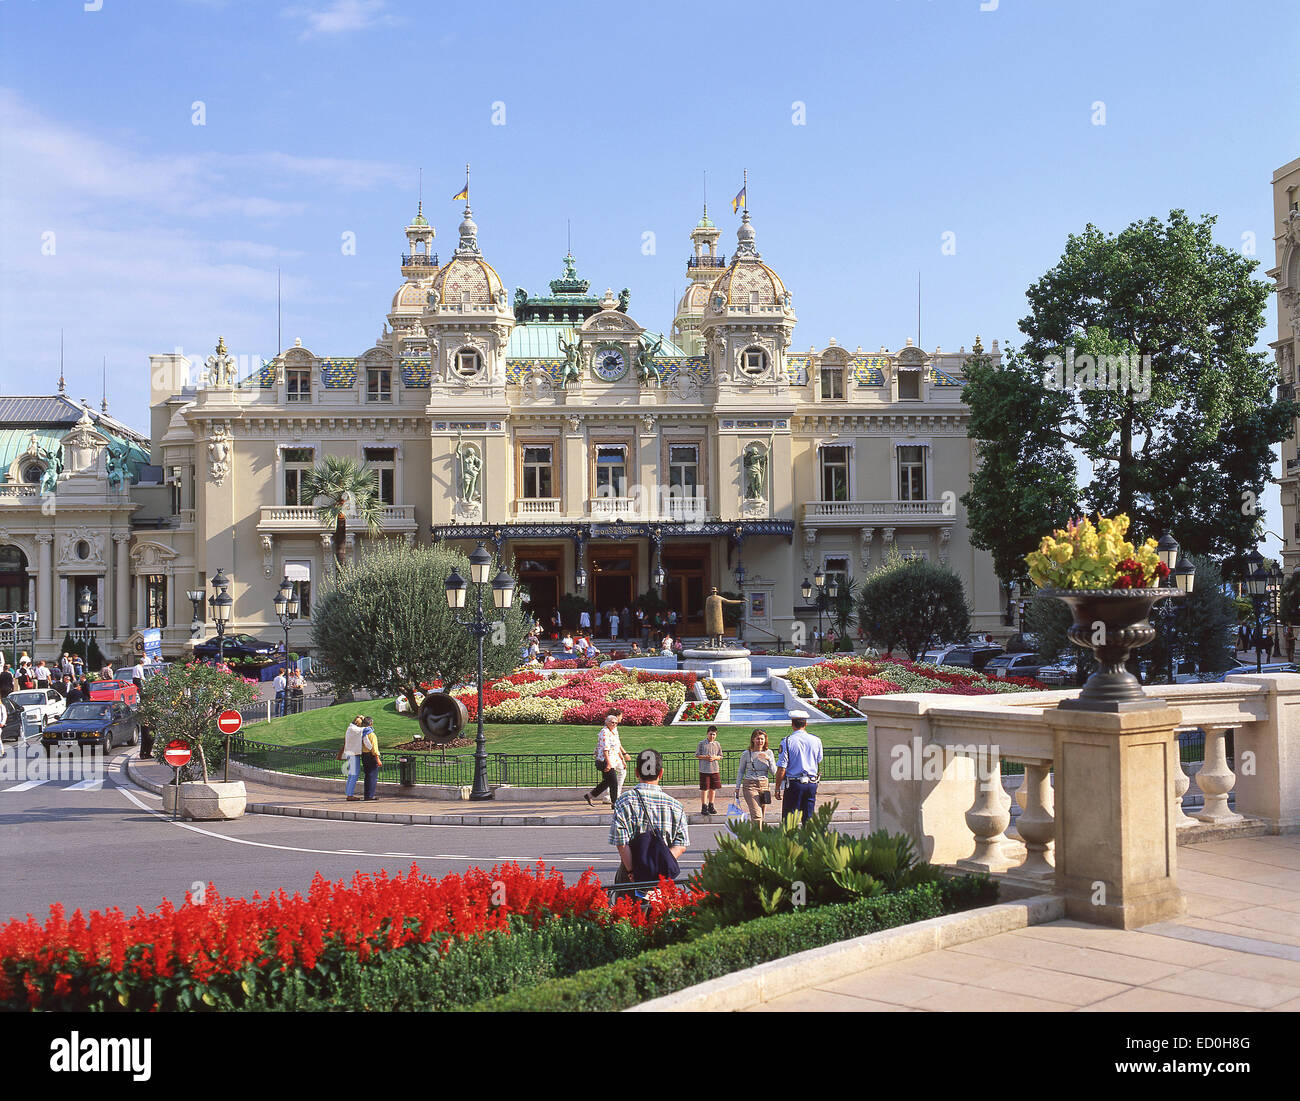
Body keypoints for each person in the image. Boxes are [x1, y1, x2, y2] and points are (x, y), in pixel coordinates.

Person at [609, 748, 689, 884]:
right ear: (661, 773)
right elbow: (681, 844)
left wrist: (632, 871)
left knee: (626, 904)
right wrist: (659, 865)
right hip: (661, 876)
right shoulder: (675, 806)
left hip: (630, 873)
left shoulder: (624, 801)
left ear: (636, 772)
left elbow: (621, 843)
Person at [774, 710, 824, 825]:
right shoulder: (816, 740)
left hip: (794, 784)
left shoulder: (787, 741)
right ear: (805, 724)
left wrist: (777, 788)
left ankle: (790, 842)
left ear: (792, 724)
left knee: (789, 820)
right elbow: (818, 759)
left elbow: (782, 767)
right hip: (811, 783)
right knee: (808, 817)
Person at [585, 709, 629, 806]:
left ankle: (590, 795)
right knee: (613, 782)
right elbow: (605, 749)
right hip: (605, 761)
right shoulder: (604, 732)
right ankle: (615, 803)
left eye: (616, 723)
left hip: (612, 760)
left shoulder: (613, 731)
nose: (614, 724)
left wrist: (622, 759)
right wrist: (608, 763)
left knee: (608, 782)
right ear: (606, 722)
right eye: (612, 722)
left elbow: (617, 747)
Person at [735, 729, 777, 824]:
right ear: (753, 740)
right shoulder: (746, 754)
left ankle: (756, 835)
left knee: (761, 814)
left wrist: (769, 759)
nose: (760, 742)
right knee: (756, 814)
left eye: (762, 739)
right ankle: (758, 838)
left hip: (764, 785)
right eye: (758, 739)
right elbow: (741, 771)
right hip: (750, 785)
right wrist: (737, 787)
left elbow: (774, 772)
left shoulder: (769, 753)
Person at [696, 725, 723, 815]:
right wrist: (705, 757)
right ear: (707, 734)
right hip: (704, 770)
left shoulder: (717, 744)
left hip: (715, 770)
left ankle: (711, 805)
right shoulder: (701, 743)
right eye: (711, 734)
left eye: (714, 734)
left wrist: (715, 757)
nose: (712, 736)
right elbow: (697, 755)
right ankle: (704, 806)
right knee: (704, 788)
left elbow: (721, 756)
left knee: (713, 788)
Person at [341, 715, 366, 800]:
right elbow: (365, 730)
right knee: (354, 774)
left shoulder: (350, 728)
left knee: (351, 774)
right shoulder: (355, 729)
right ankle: (350, 795)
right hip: (353, 754)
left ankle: (349, 793)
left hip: (349, 753)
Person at [359, 715, 381, 801]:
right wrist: (377, 758)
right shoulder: (371, 735)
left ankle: (367, 794)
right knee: (372, 776)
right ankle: (369, 795)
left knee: (367, 775)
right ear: (371, 724)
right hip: (371, 756)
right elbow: (374, 748)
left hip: (364, 755)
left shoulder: (361, 733)